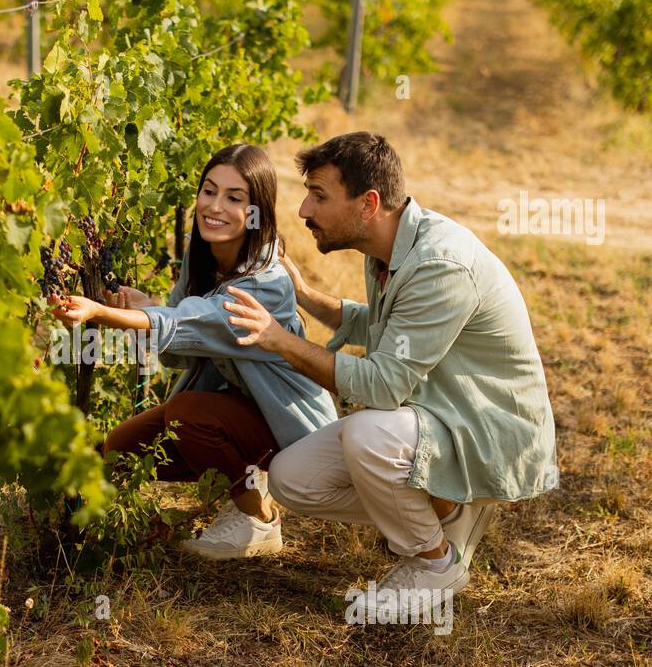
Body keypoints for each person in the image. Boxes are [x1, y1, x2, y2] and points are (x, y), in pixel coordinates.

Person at [221, 132, 558, 612]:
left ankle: (434, 562)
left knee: (367, 434)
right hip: (442, 414)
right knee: (294, 478)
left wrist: (278, 338)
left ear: (368, 203)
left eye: (319, 196)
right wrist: (307, 296)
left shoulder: (439, 265)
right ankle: (444, 507)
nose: (303, 211)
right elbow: (389, 327)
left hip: (487, 434)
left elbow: (381, 386)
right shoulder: (386, 247)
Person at [50, 143, 338, 559]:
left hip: (294, 431)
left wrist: (98, 313)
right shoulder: (202, 254)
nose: (215, 206)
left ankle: (259, 521)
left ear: (257, 211)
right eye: (209, 190)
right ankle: (247, 482)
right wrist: (148, 305)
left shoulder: (265, 284)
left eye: (234, 198)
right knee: (120, 450)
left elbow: (187, 322)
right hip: (238, 410)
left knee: (188, 414)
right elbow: (184, 342)